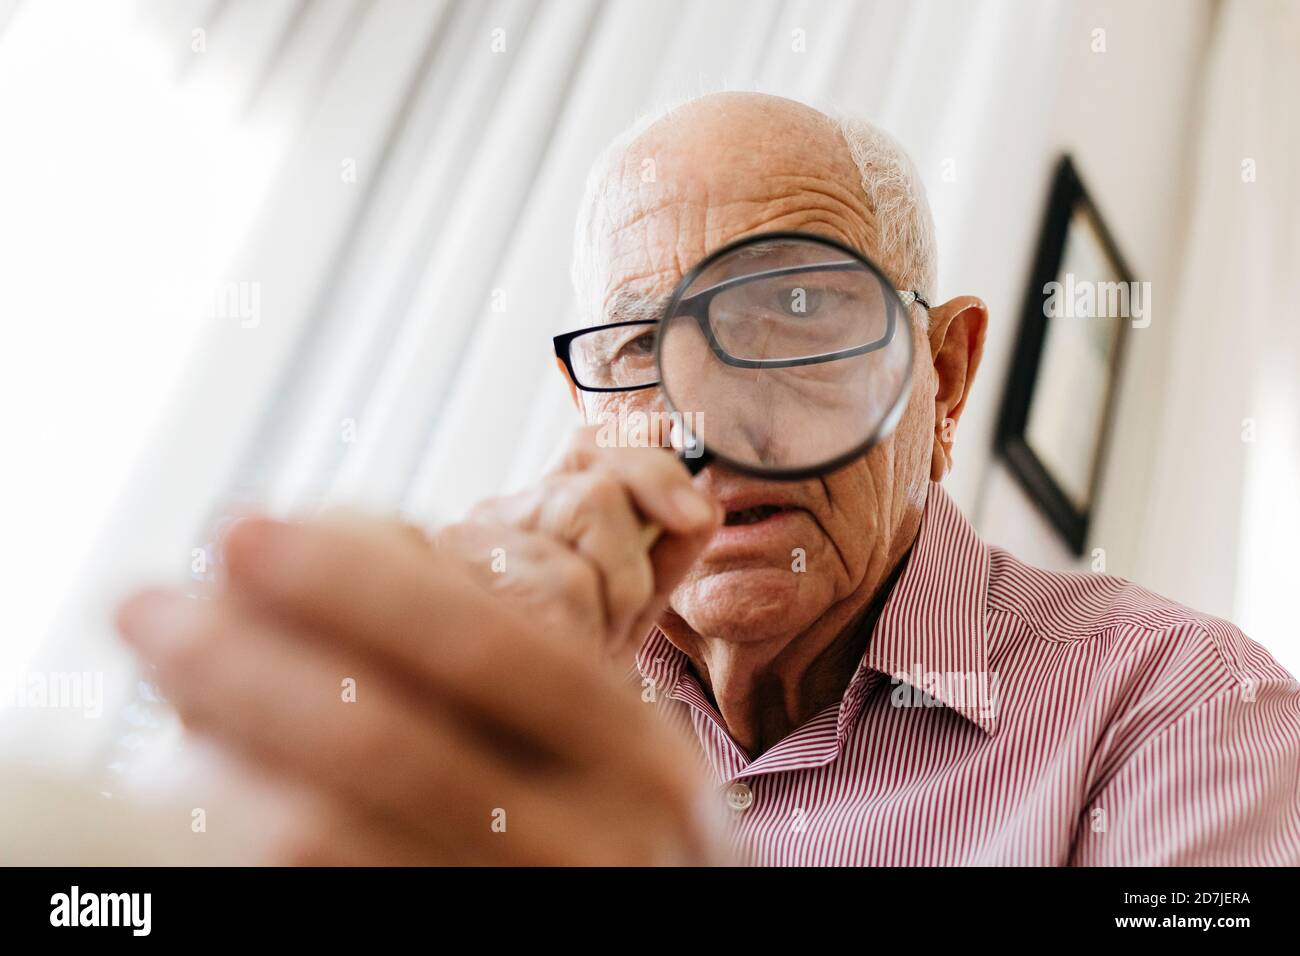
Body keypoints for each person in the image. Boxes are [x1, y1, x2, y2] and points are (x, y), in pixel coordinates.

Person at [117, 92, 1300, 865]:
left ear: (940, 379)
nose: (712, 420)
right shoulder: (489, 671)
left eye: (796, 314)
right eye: (640, 348)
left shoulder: (1184, 711)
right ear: (587, 408)